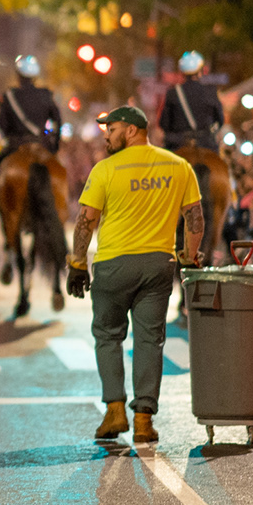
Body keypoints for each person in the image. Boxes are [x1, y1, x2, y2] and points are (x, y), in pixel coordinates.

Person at [65, 105, 203, 445]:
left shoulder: (105, 169)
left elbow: (86, 220)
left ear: (130, 130)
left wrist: (77, 263)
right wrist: (187, 256)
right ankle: (143, 420)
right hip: (158, 265)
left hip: (113, 265)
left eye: (110, 129)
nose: (106, 135)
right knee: (150, 340)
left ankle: (114, 411)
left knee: (108, 336)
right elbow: (195, 217)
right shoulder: (178, 166)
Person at [0, 55, 62, 213]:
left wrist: (11, 136)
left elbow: (2, 125)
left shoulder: (10, 96)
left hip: (15, 145)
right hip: (41, 144)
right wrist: (54, 145)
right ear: (35, 77)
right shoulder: (46, 95)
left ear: (18, 76)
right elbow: (58, 121)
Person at [157, 51, 223, 152]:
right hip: (206, 144)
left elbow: (164, 123)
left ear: (182, 72)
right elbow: (220, 120)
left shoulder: (173, 93)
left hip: (178, 144)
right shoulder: (210, 91)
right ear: (201, 71)